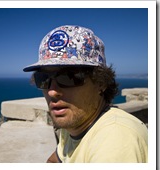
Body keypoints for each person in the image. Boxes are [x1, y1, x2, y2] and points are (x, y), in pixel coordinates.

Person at [23, 25, 148, 163]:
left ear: (101, 82)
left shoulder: (115, 140)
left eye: (68, 77)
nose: (52, 91)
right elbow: (54, 161)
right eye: (44, 79)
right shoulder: (74, 123)